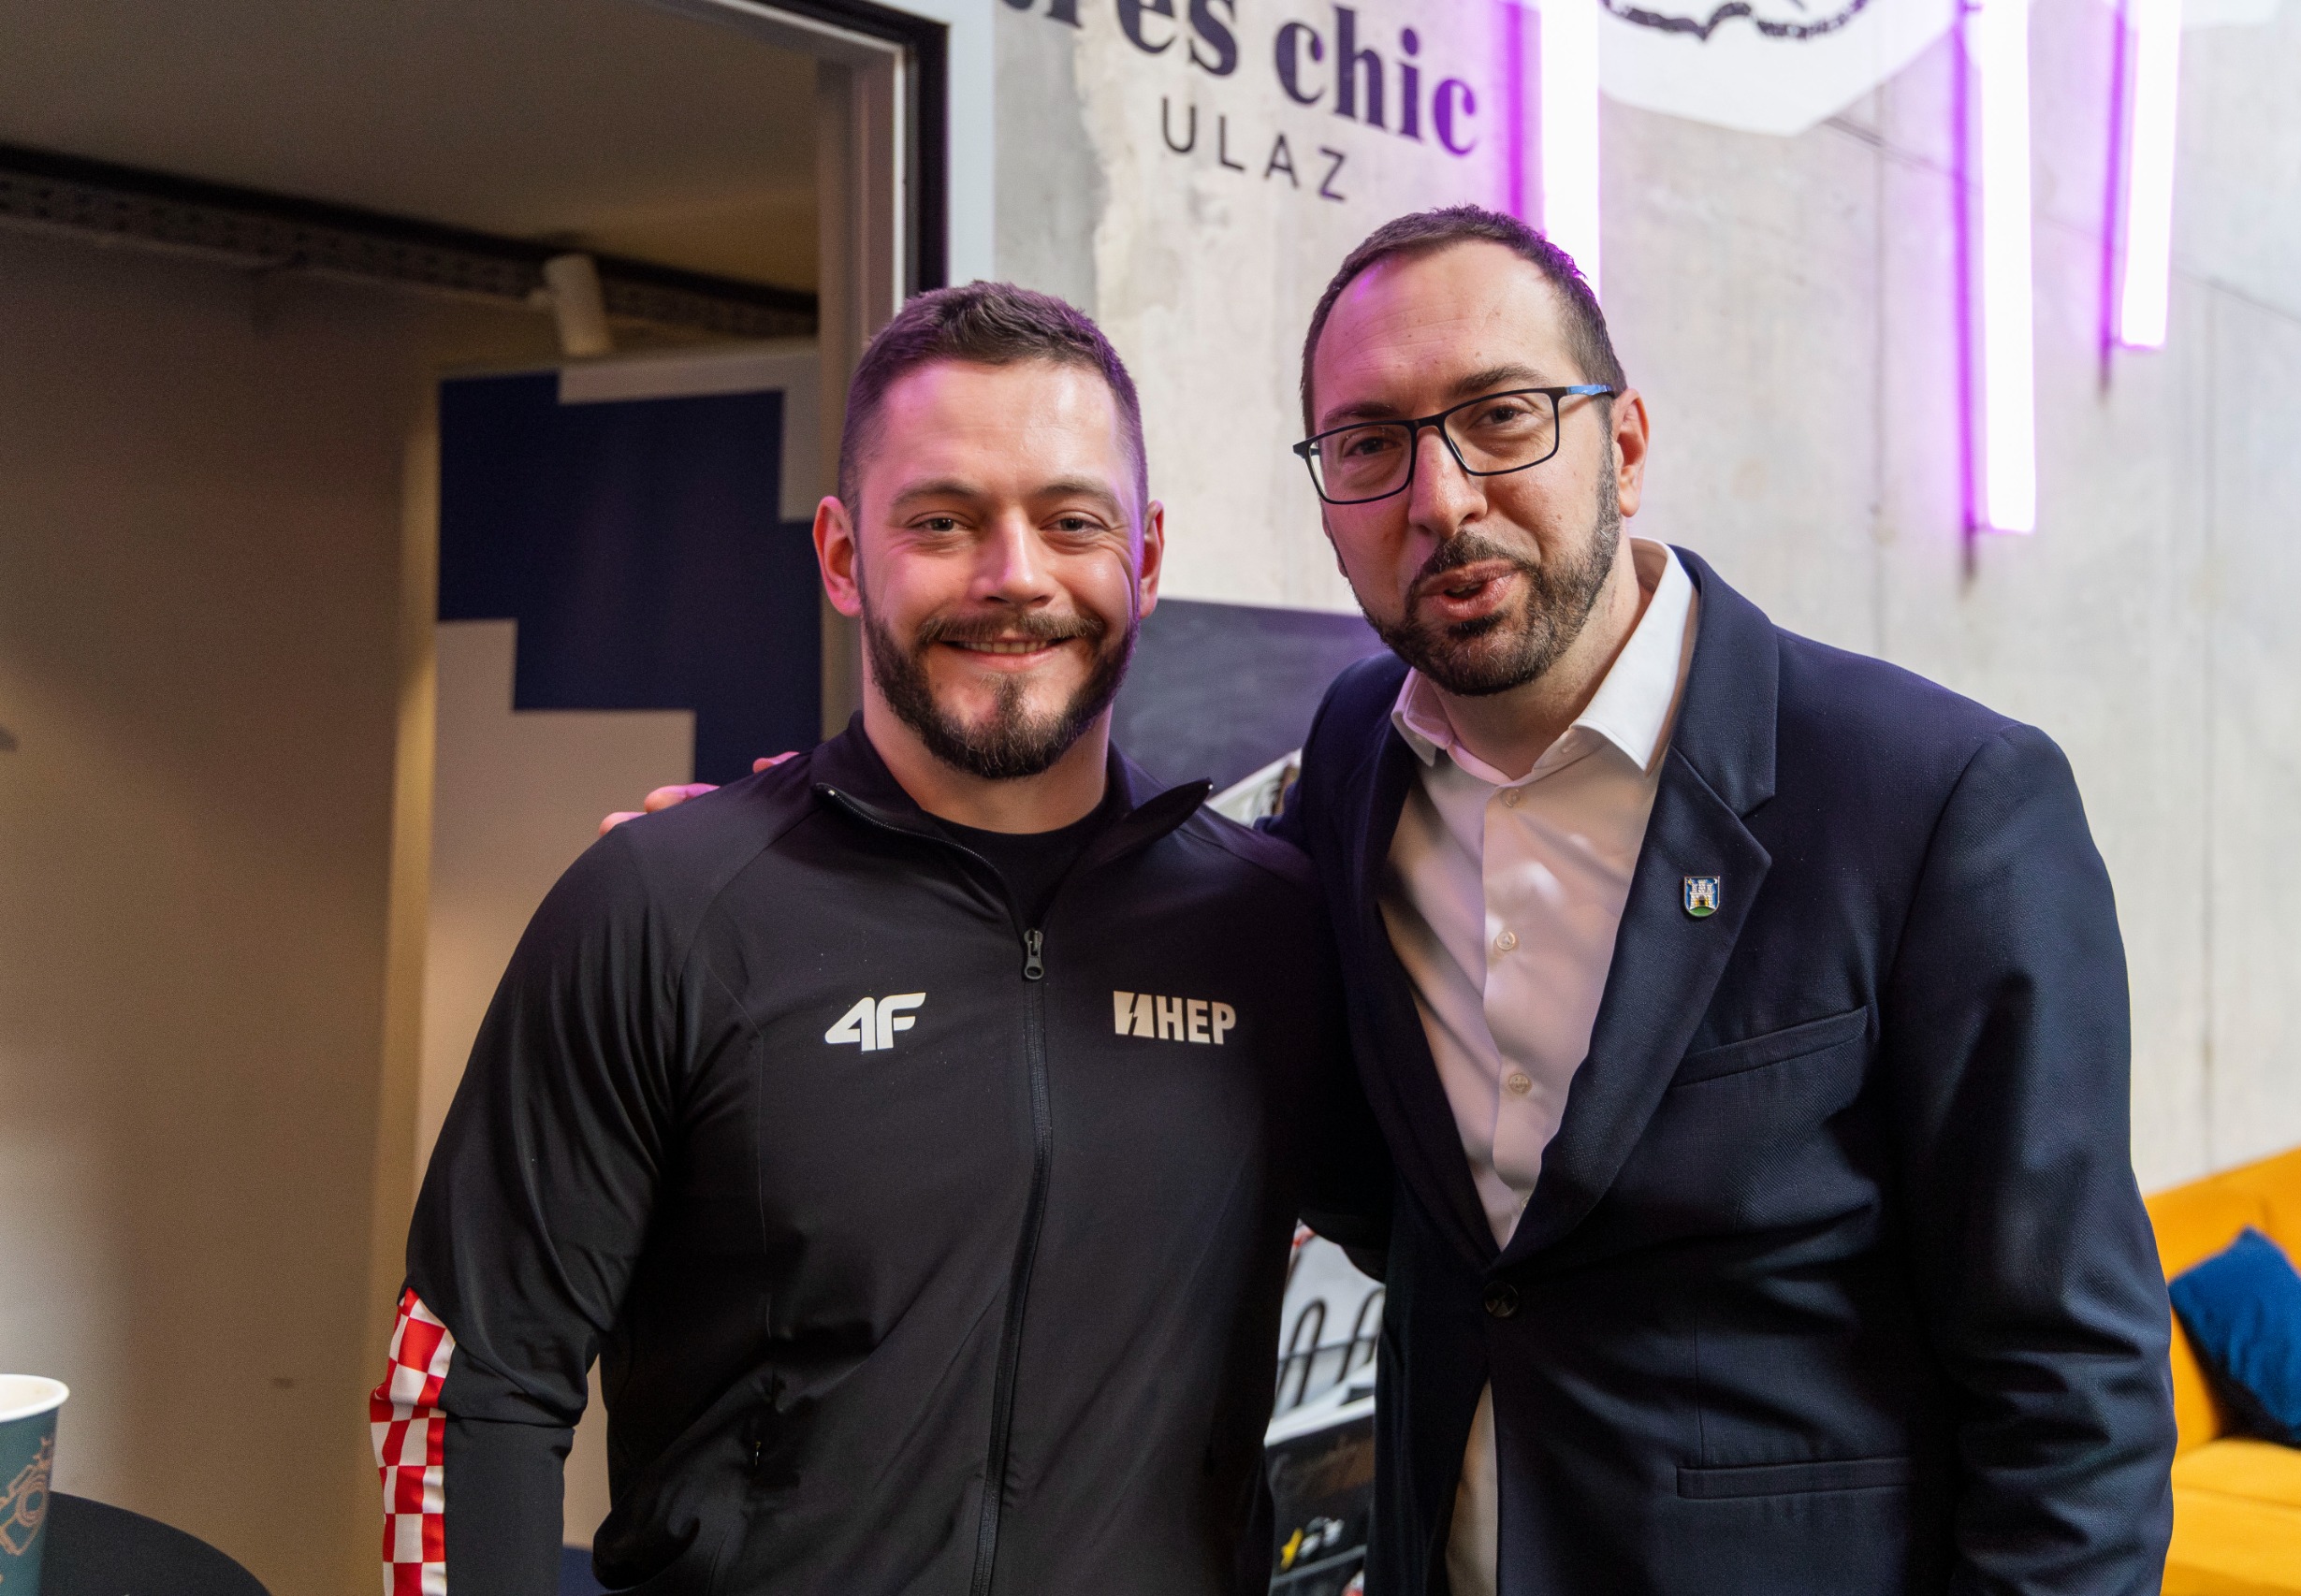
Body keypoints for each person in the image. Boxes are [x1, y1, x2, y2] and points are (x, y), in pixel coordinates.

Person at [376, 282, 1380, 1596]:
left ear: (1143, 558)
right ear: (845, 556)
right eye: (943, 521)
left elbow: (1471, 1265)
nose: (1014, 576)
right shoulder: (665, 908)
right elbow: (472, 1383)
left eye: (1071, 521)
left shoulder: (1269, 929)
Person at [1266, 206, 2176, 1593]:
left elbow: (2071, 1388)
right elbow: (1401, 1195)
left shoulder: (1936, 800)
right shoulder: (1352, 756)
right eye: (1368, 444)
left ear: (1625, 445)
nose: (1439, 498)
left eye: (1502, 417)